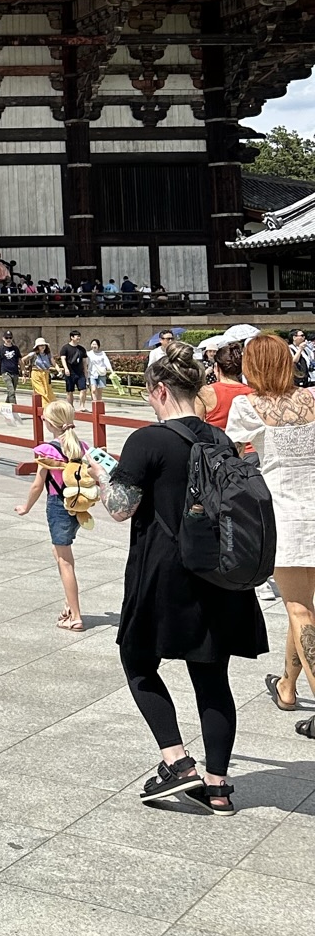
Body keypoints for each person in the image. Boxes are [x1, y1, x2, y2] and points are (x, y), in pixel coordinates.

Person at [92, 338, 268, 812]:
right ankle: (218, 786)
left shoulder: (148, 440)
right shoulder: (220, 440)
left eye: (150, 393)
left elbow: (119, 509)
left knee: (137, 659)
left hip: (164, 572)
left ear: (162, 390)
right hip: (219, 571)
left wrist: (99, 472)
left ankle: (176, 760)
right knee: (212, 677)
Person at [226, 333, 315, 735]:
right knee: (302, 607)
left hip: (287, 515)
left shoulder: (248, 405)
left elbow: (229, 449)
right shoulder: (313, 398)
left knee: (298, 609)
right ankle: (287, 686)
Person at [15, 398, 90, 631]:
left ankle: (75, 615)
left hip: (58, 505)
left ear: (51, 423)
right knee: (63, 552)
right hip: (78, 505)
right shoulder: (81, 447)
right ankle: (69, 604)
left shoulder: (48, 451)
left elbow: (38, 485)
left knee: (63, 560)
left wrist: (26, 507)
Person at [199, 339, 251, 431]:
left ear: (217, 368)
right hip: (248, 444)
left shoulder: (206, 392)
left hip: (218, 443)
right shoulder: (252, 393)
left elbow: (197, 425)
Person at [0, 332, 21, 408]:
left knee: (11, 392)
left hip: (15, 372)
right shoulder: (1, 349)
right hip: (5, 372)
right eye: (7, 338)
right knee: (11, 391)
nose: (8, 339)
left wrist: (24, 372)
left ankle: (5, 407)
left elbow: (20, 360)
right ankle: (15, 409)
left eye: (10, 338)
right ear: (3, 338)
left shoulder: (15, 348)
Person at [61, 331, 87, 396]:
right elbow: (63, 359)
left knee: (83, 389)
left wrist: (86, 372)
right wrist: (66, 369)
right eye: (77, 336)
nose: (78, 338)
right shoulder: (65, 348)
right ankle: (70, 406)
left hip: (80, 373)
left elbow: (84, 361)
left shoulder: (82, 349)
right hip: (70, 373)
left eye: (79, 336)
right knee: (70, 391)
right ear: (72, 337)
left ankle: (82, 406)